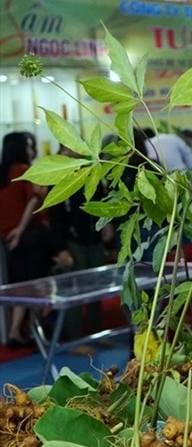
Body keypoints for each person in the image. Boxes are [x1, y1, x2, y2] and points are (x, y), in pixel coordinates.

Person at [48, 144, 114, 340]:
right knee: (74, 290)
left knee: (96, 288)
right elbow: (55, 217)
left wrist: (107, 225)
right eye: (65, 150)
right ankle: (75, 337)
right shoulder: (59, 178)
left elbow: (101, 201)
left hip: (93, 240)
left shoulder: (90, 172)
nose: (69, 153)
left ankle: (97, 332)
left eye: (72, 149)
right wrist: (60, 249)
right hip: (73, 243)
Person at [0, 132, 49, 349]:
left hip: (5, 237)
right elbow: (33, 200)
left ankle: (17, 330)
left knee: (16, 283)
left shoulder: (2, 174)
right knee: (30, 284)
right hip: (27, 235)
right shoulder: (24, 171)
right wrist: (20, 230)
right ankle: (21, 330)